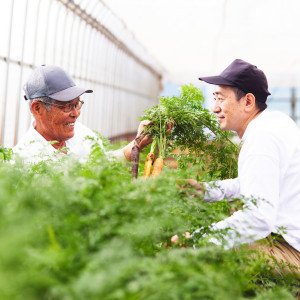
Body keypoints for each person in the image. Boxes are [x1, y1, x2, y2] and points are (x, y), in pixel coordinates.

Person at [189, 59, 300, 274]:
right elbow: (256, 181)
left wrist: (196, 240)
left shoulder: (262, 139)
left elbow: (258, 217)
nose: (215, 108)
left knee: (213, 264)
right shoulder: (276, 122)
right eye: (214, 98)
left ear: (248, 102)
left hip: (291, 248)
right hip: (291, 236)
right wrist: (204, 190)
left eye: (221, 98)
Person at [13, 65, 151, 164]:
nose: (76, 113)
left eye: (77, 104)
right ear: (38, 108)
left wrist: (136, 144)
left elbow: (102, 164)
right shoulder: (23, 160)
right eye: (67, 106)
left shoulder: (83, 134)